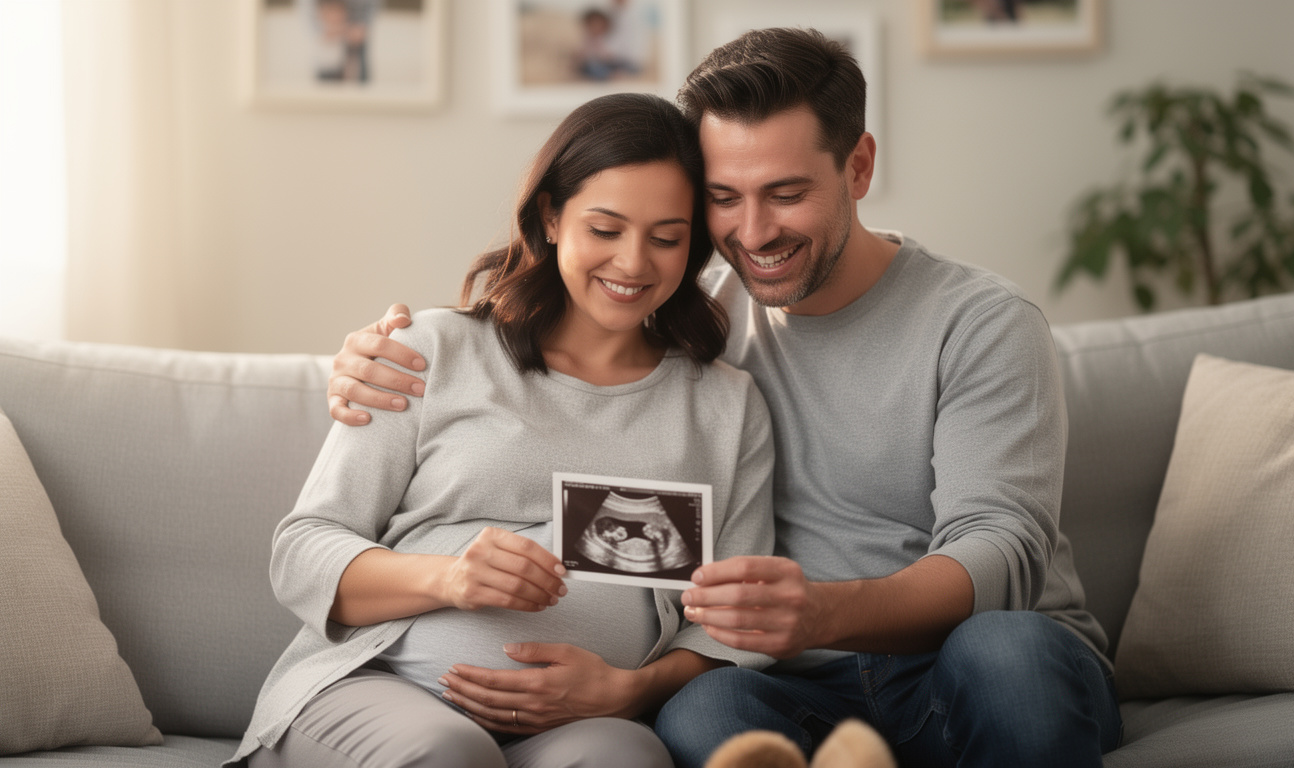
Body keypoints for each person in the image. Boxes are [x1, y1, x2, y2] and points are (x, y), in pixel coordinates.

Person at [326, 27, 1123, 768]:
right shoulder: (686, 317)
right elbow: (544, 360)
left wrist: (826, 613)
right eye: (724, 197)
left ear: (859, 167)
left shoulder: (981, 322)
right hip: (790, 685)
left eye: (785, 192)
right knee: (705, 711)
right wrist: (377, 358)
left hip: (969, 665)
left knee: (1006, 655)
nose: (753, 231)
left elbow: (1004, 547)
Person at [228, 92, 776, 768]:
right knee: (448, 752)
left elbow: (734, 627)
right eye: (605, 229)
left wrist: (631, 690)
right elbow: (302, 550)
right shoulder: (431, 351)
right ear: (550, 216)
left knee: (627, 761)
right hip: (376, 685)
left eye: (666, 237)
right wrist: (449, 579)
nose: (634, 264)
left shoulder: (726, 407)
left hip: (575, 729)